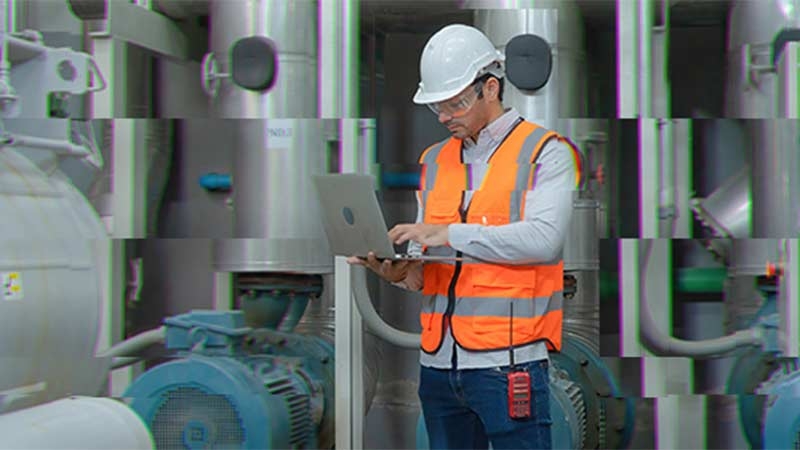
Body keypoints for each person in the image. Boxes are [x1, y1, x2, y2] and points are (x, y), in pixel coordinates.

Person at [349, 24, 581, 450]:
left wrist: (449, 231)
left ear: (490, 88)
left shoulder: (545, 152)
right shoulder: (435, 161)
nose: (443, 116)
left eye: (454, 103)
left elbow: (543, 239)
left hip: (507, 365)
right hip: (438, 367)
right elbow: (427, 270)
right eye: (437, 106)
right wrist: (396, 271)